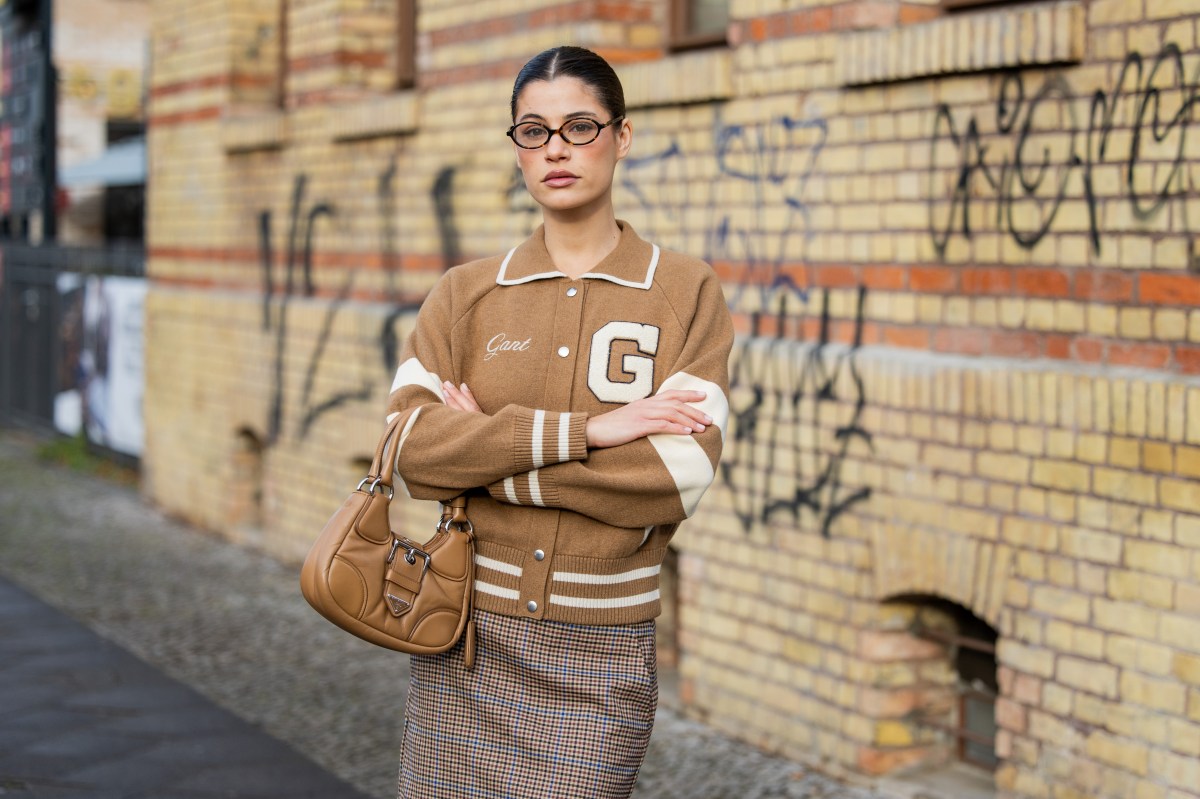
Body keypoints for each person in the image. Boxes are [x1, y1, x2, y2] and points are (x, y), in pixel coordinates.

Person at [386, 44, 733, 799]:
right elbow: (412, 449)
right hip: (464, 639)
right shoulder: (465, 294)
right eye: (533, 131)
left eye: (579, 126)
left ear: (622, 136)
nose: (556, 150)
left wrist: (490, 456)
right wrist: (591, 432)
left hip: (598, 654)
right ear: (516, 149)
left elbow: (675, 475)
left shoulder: (681, 291)